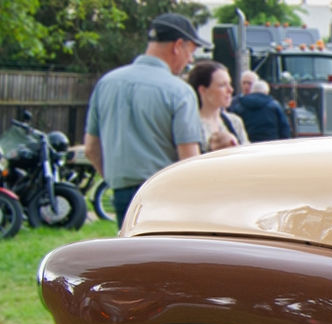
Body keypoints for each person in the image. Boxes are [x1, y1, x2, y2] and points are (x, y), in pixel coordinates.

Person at [83, 13, 206, 227]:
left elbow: (91, 148)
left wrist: (117, 181)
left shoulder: (107, 83)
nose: (190, 60)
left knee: (132, 257)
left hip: (123, 195)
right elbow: (189, 158)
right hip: (167, 196)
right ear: (178, 45)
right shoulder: (179, 91)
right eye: (191, 51)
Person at [187, 61, 249, 152]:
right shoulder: (190, 125)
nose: (230, 90)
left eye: (230, 84)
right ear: (203, 90)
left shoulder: (234, 122)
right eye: (222, 85)